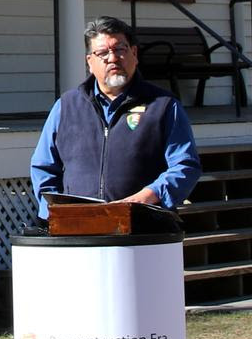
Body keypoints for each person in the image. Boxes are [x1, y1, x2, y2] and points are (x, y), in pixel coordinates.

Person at [29, 16, 200, 219]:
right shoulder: (66, 107)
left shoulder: (163, 105)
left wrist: (145, 197)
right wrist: (53, 213)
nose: (112, 58)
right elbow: (43, 167)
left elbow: (185, 166)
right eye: (102, 53)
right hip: (78, 229)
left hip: (143, 229)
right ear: (90, 62)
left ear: (134, 54)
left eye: (120, 49)